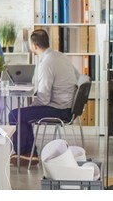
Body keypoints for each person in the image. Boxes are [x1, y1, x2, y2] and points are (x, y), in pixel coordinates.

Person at [8, 29, 79, 166]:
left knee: (15, 115)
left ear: (34, 45)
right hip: (68, 107)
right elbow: (76, 77)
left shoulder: (47, 62)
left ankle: (24, 153)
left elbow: (44, 98)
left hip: (59, 109)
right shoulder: (60, 56)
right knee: (22, 115)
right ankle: (29, 153)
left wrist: (30, 107)